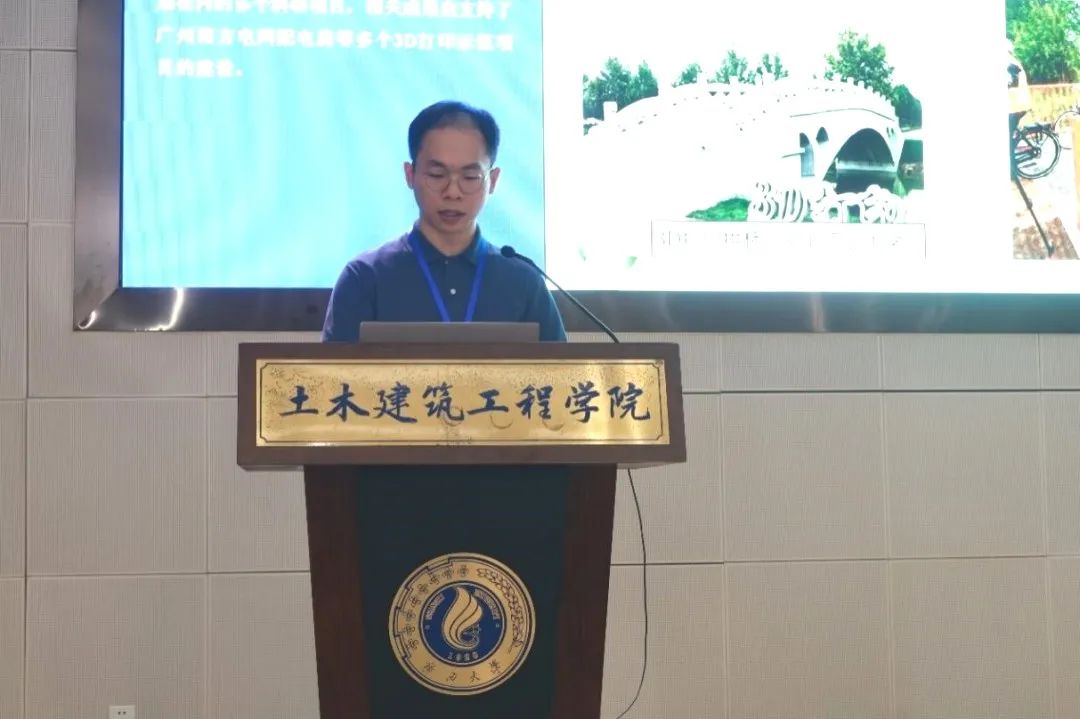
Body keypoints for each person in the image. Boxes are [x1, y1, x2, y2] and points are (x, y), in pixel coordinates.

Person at [322, 100, 567, 342]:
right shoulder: (364, 278)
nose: (452, 192)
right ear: (410, 175)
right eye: (437, 175)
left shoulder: (523, 282)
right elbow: (334, 369)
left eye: (470, 177)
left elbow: (560, 368)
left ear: (492, 180)